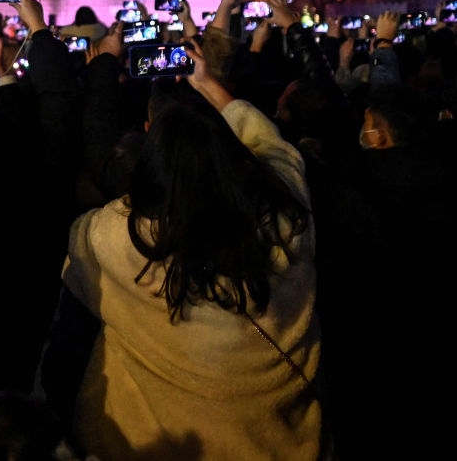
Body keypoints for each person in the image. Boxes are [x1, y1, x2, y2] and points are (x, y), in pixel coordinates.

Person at [57, 37, 323, 461]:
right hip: (281, 445)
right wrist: (208, 84)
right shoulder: (286, 218)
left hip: (150, 445)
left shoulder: (117, 238)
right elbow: (273, 147)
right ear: (232, 155)